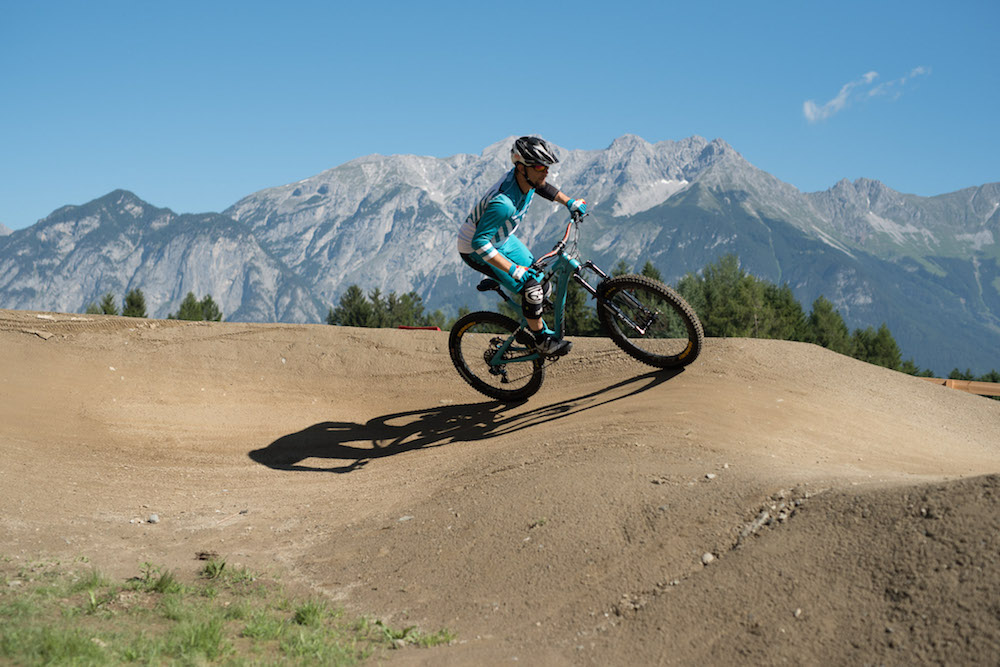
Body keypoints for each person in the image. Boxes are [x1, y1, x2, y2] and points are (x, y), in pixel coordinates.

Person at [457, 136, 587, 356]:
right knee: (532, 289)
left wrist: (569, 202)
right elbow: (479, 242)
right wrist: (513, 270)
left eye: (546, 166)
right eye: (539, 166)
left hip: (503, 239)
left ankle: (531, 316)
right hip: (476, 249)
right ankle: (541, 341)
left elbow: (544, 187)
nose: (545, 171)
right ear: (520, 167)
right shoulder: (503, 204)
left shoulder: (528, 179)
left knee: (541, 281)